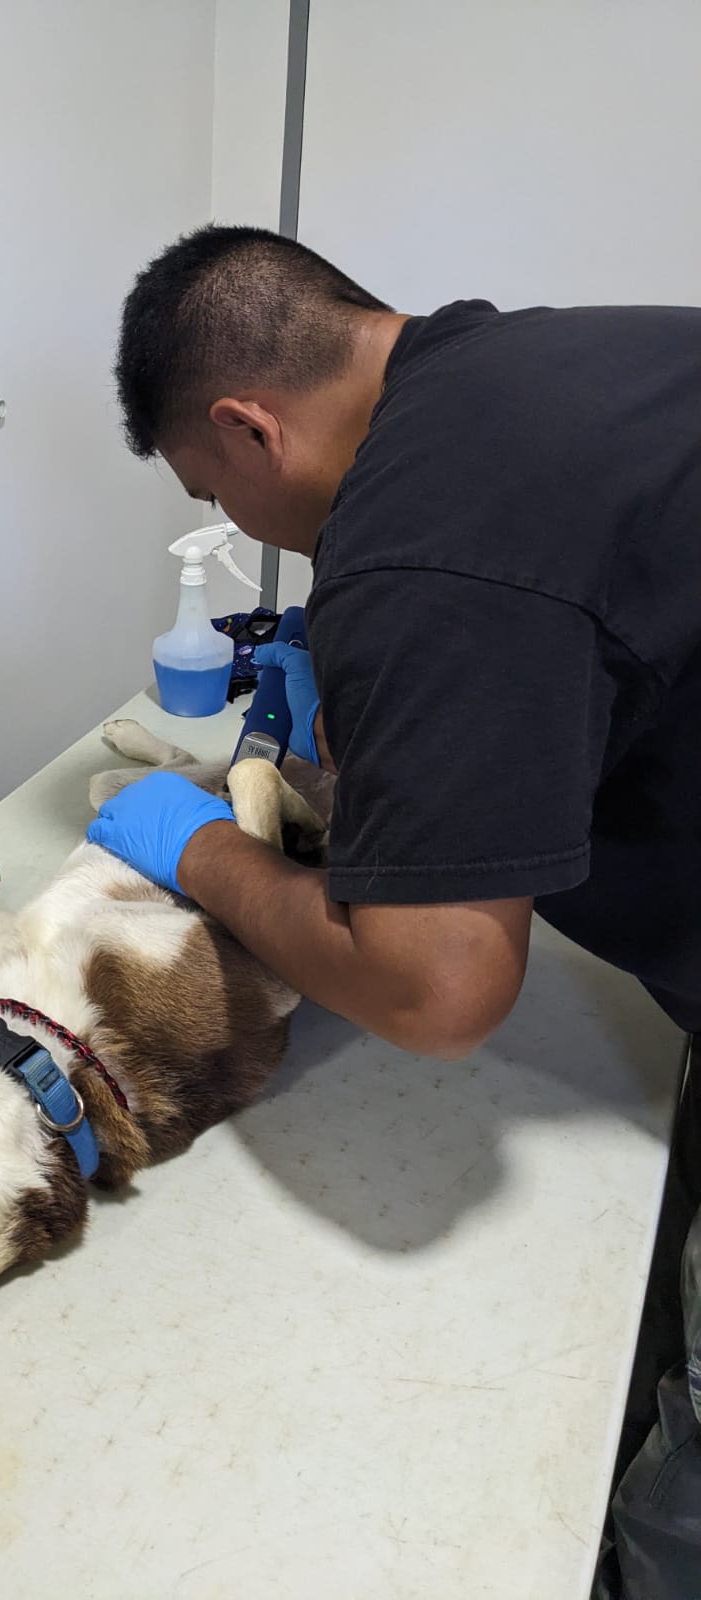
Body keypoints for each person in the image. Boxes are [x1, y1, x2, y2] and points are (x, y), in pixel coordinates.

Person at [88, 223, 701, 1597]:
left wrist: (201, 852)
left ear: (248, 426)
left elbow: (437, 994)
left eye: (214, 487)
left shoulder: (424, 549)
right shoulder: (529, 362)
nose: (246, 527)